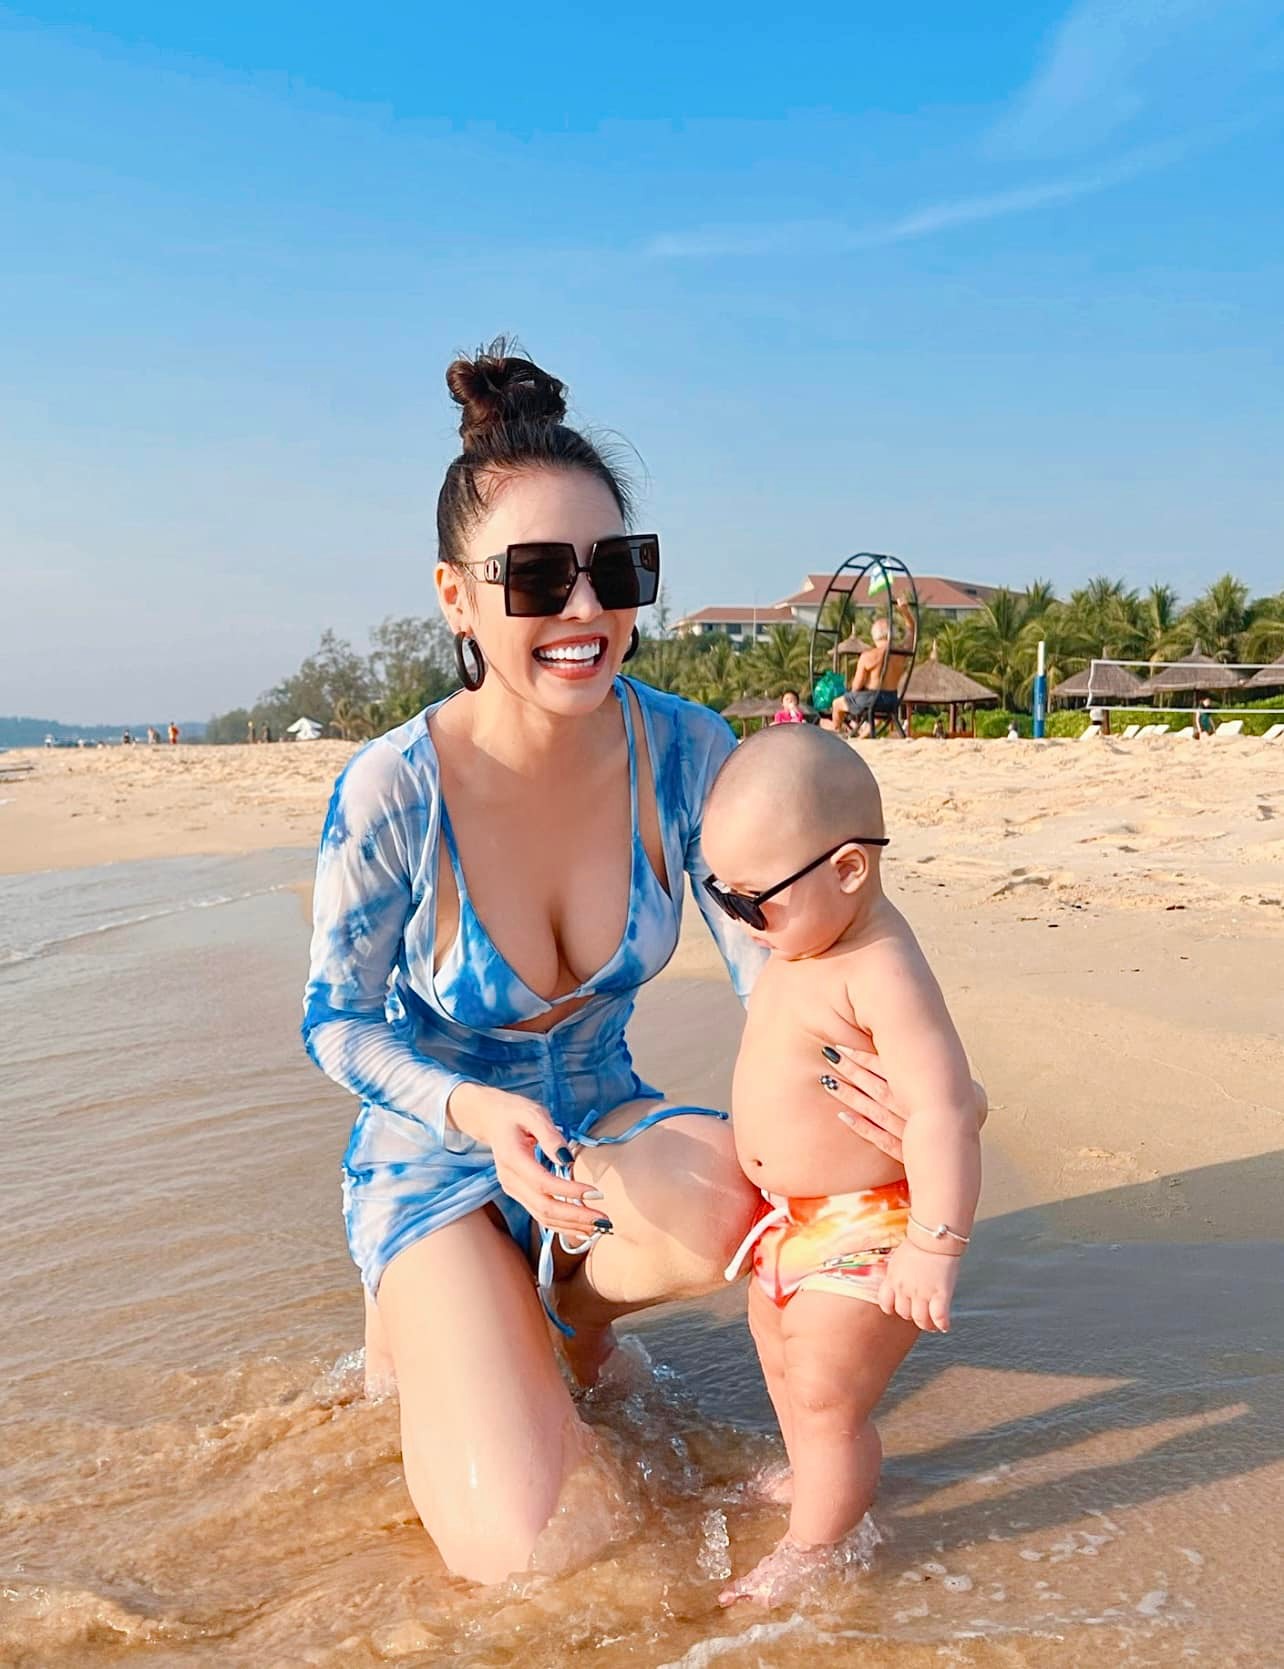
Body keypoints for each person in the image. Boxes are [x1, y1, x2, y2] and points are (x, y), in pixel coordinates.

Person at [302, 341, 985, 1586]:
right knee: (539, 1551)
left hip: (602, 1127)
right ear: (456, 597)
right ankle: (434, 1302)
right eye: (536, 577)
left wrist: (905, 1105)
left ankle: (568, 1319)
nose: (584, 610)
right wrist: (475, 1110)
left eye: (615, 569)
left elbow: (782, 969)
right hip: (438, 1161)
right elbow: (335, 1024)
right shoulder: (393, 790)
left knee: (737, 1184)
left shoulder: (686, 751)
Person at [701, 726, 980, 1607]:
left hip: (874, 1221)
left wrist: (935, 1243)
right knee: (780, 1355)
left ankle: (817, 1544)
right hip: (794, 1221)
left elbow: (943, 1108)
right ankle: (814, 1473)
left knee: (825, 1387)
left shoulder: (880, 964)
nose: (739, 921)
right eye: (723, 895)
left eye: (754, 903)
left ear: (849, 869)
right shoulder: (802, 941)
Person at [830, 593, 916, 738]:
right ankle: (862, 736)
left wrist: (853, 689)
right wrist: (905, 611)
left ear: (874, 636)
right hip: (892, 700)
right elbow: (912, 630)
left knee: (837, 703)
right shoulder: (902, 652)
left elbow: (857, 686)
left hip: (871, 700)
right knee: (874, 706)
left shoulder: (868, 656)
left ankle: (836, 734)